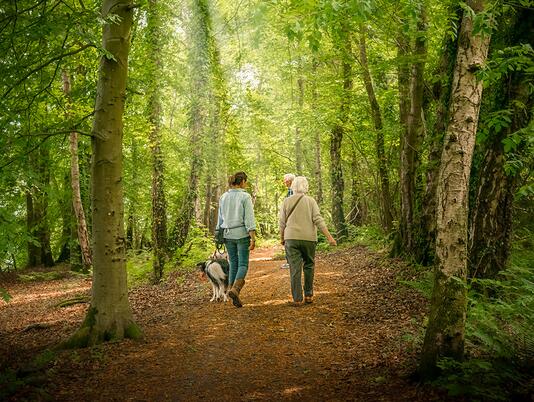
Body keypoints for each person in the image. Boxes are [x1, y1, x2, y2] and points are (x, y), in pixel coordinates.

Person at [279, 176, 336, 305]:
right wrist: (330, 237)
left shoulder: (286, 202)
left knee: (295, 268)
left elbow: (282, 223)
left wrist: (282, 238)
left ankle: (297, 299)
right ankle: (309, 295)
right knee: (309, 265)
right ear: (306, 186)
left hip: (291, 238)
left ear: (293, 186)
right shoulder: (311, 201)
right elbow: (318, 219)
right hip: (309, 239)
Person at [216, 171, 256, 308]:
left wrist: (218, 234)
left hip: (227, 234)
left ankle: (231, 290)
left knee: (233, 263)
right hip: (241, 234)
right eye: (246, 181)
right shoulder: (245, 196)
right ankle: (236, 289)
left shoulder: (223, 197)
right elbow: (249, 218)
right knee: (243, 264)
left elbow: (220, 219)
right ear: (242, 182)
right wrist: (253, 237)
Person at [280, 173, 295, 269]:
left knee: (289, 241)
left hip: (290, 220)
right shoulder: (295, 190)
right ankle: (291, 262)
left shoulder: (291, 191)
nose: (284, 182)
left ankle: (290, 262)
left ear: (289, 181)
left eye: (285, 180)